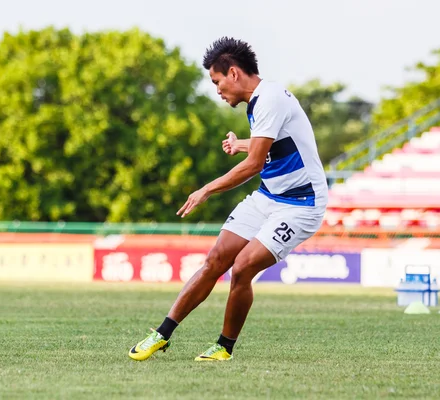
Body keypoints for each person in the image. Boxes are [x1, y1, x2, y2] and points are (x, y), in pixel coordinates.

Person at [128, 37, 328, 361]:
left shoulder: (270, 98)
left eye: (217, 82)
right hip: (269, 197)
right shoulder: (260, 102)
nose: (217, 90)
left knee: (243, 267)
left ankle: (224, 347)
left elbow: (254, 166)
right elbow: (274, 144)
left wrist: (206, 188)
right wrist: (242, 144)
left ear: (233, 73)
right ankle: (162, 334)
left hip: (301, 204)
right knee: (216, 259)